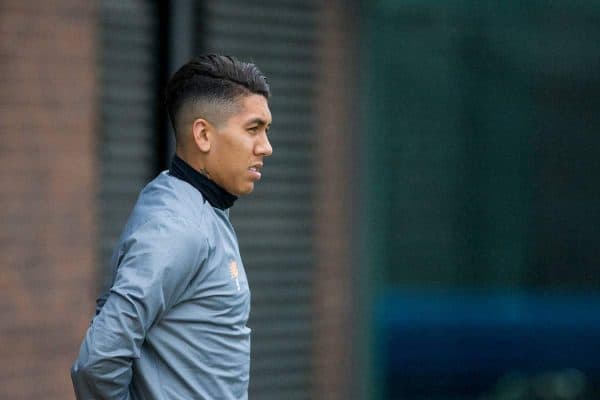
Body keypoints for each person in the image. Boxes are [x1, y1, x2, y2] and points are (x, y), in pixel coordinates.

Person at [71, 54, 273, 399]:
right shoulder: (178, 227)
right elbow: (99, 359)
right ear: (203, 135)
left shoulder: (202, 210)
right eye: (253, 129)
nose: (266, 147)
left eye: (266, 131)